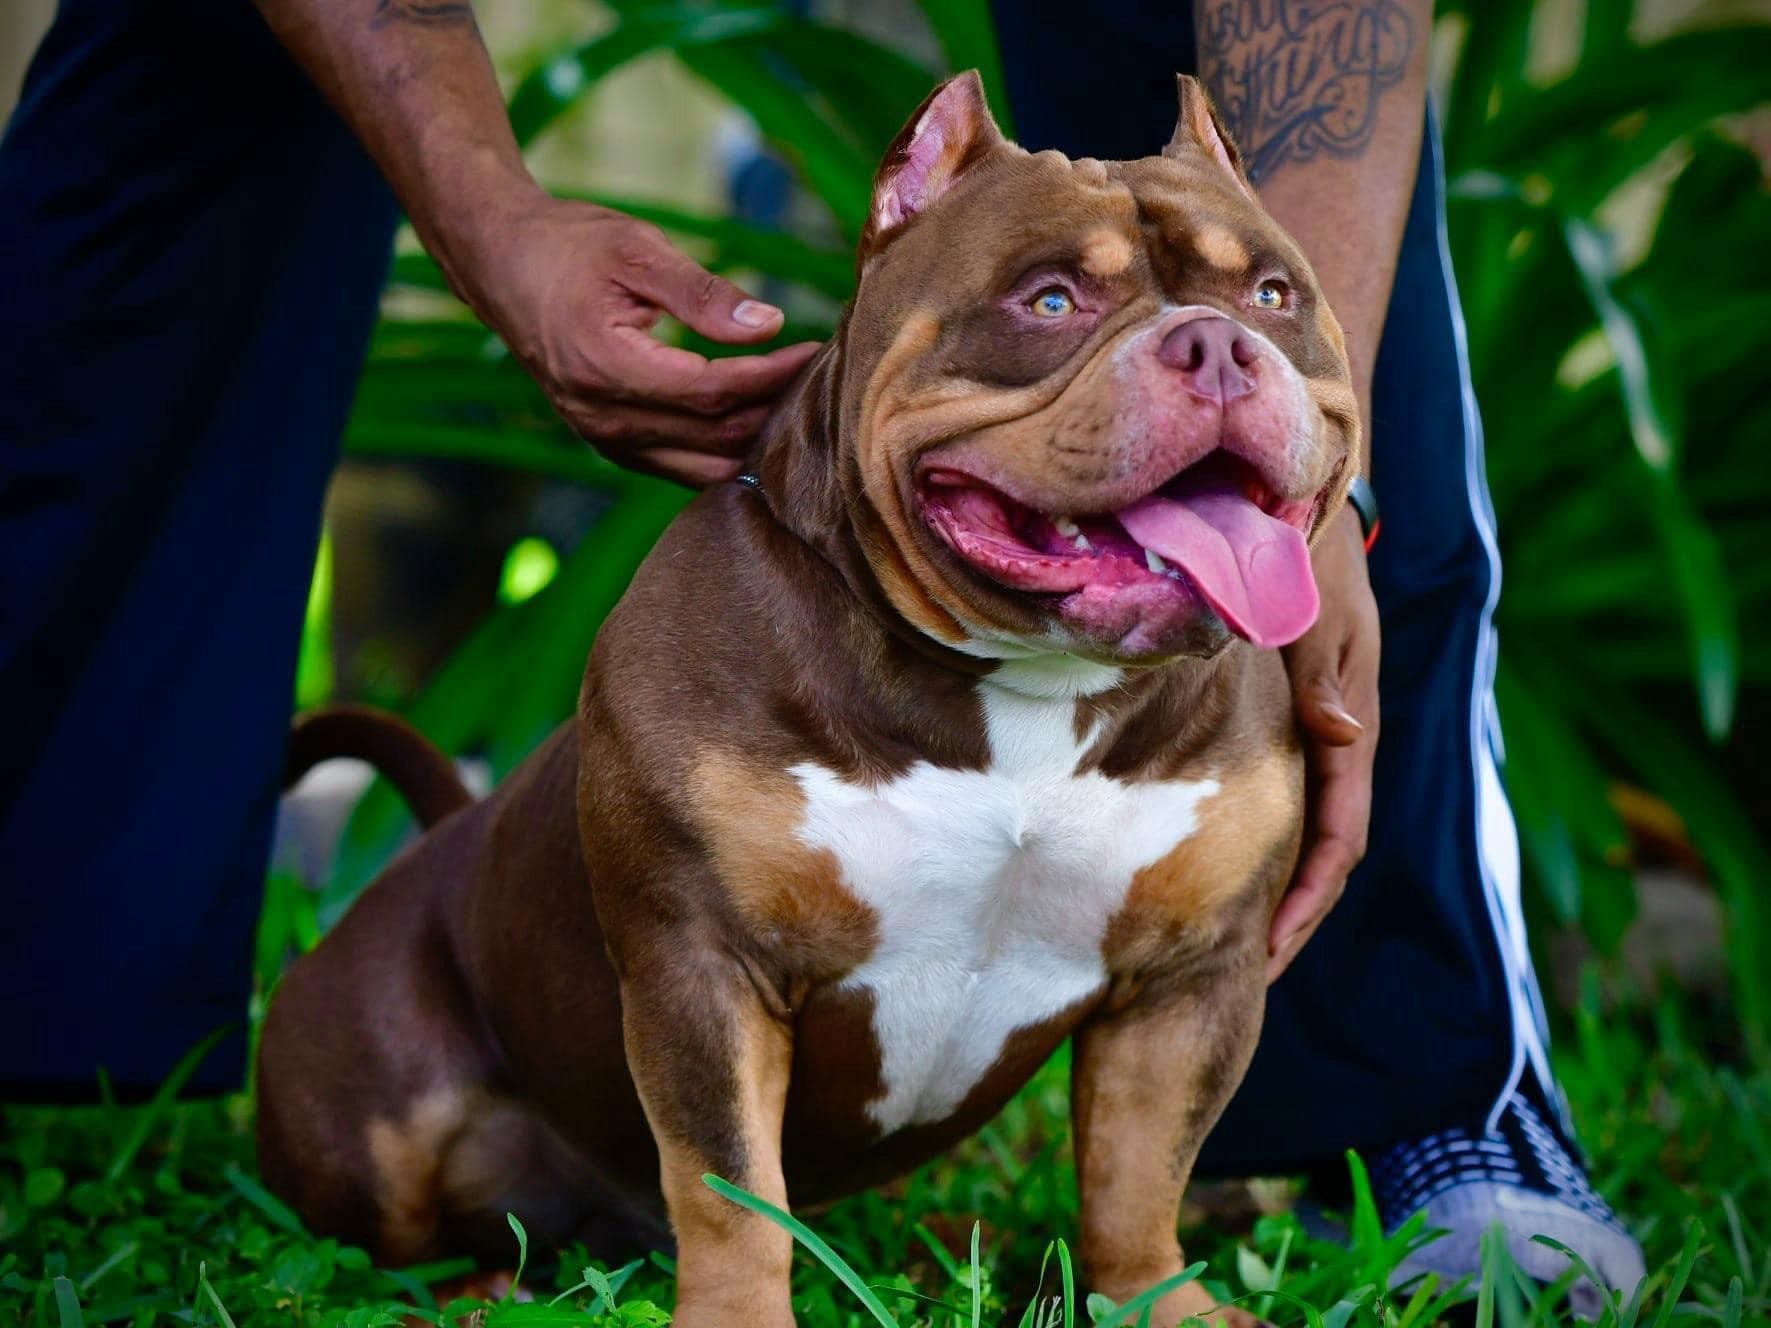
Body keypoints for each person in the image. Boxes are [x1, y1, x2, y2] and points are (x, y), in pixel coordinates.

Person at [0, 0, 1641, 1301]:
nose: (1202, 351)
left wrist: (1337, 481)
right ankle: (66, 974)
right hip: (516, 1064)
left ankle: (1419, 1127)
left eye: (1249, 313)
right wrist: (493, 221)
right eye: (1057, 306)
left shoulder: (1222, 710)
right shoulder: (715, 676)